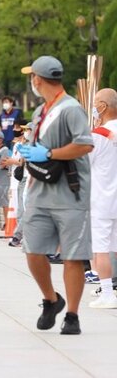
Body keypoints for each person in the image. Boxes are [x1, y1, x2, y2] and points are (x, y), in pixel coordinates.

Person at [17, 56, 94, 335]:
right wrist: (30, 152)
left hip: (70, 193)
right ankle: (51, 299)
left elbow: (85, 145)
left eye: (32, 78)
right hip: (39, 190)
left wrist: (48, 153)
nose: (32, 82)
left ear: (37, 79)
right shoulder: (40, 111)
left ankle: (72, 314)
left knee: (73, 256)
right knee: (33, 250)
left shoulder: (71, 109)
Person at [86, 88, 117, 308]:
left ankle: (107, 294)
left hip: (102, 200)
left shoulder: (99, 135)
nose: (94, 106)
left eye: (96, 102)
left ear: (104, 106)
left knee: (102, 249)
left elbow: (82, 164)